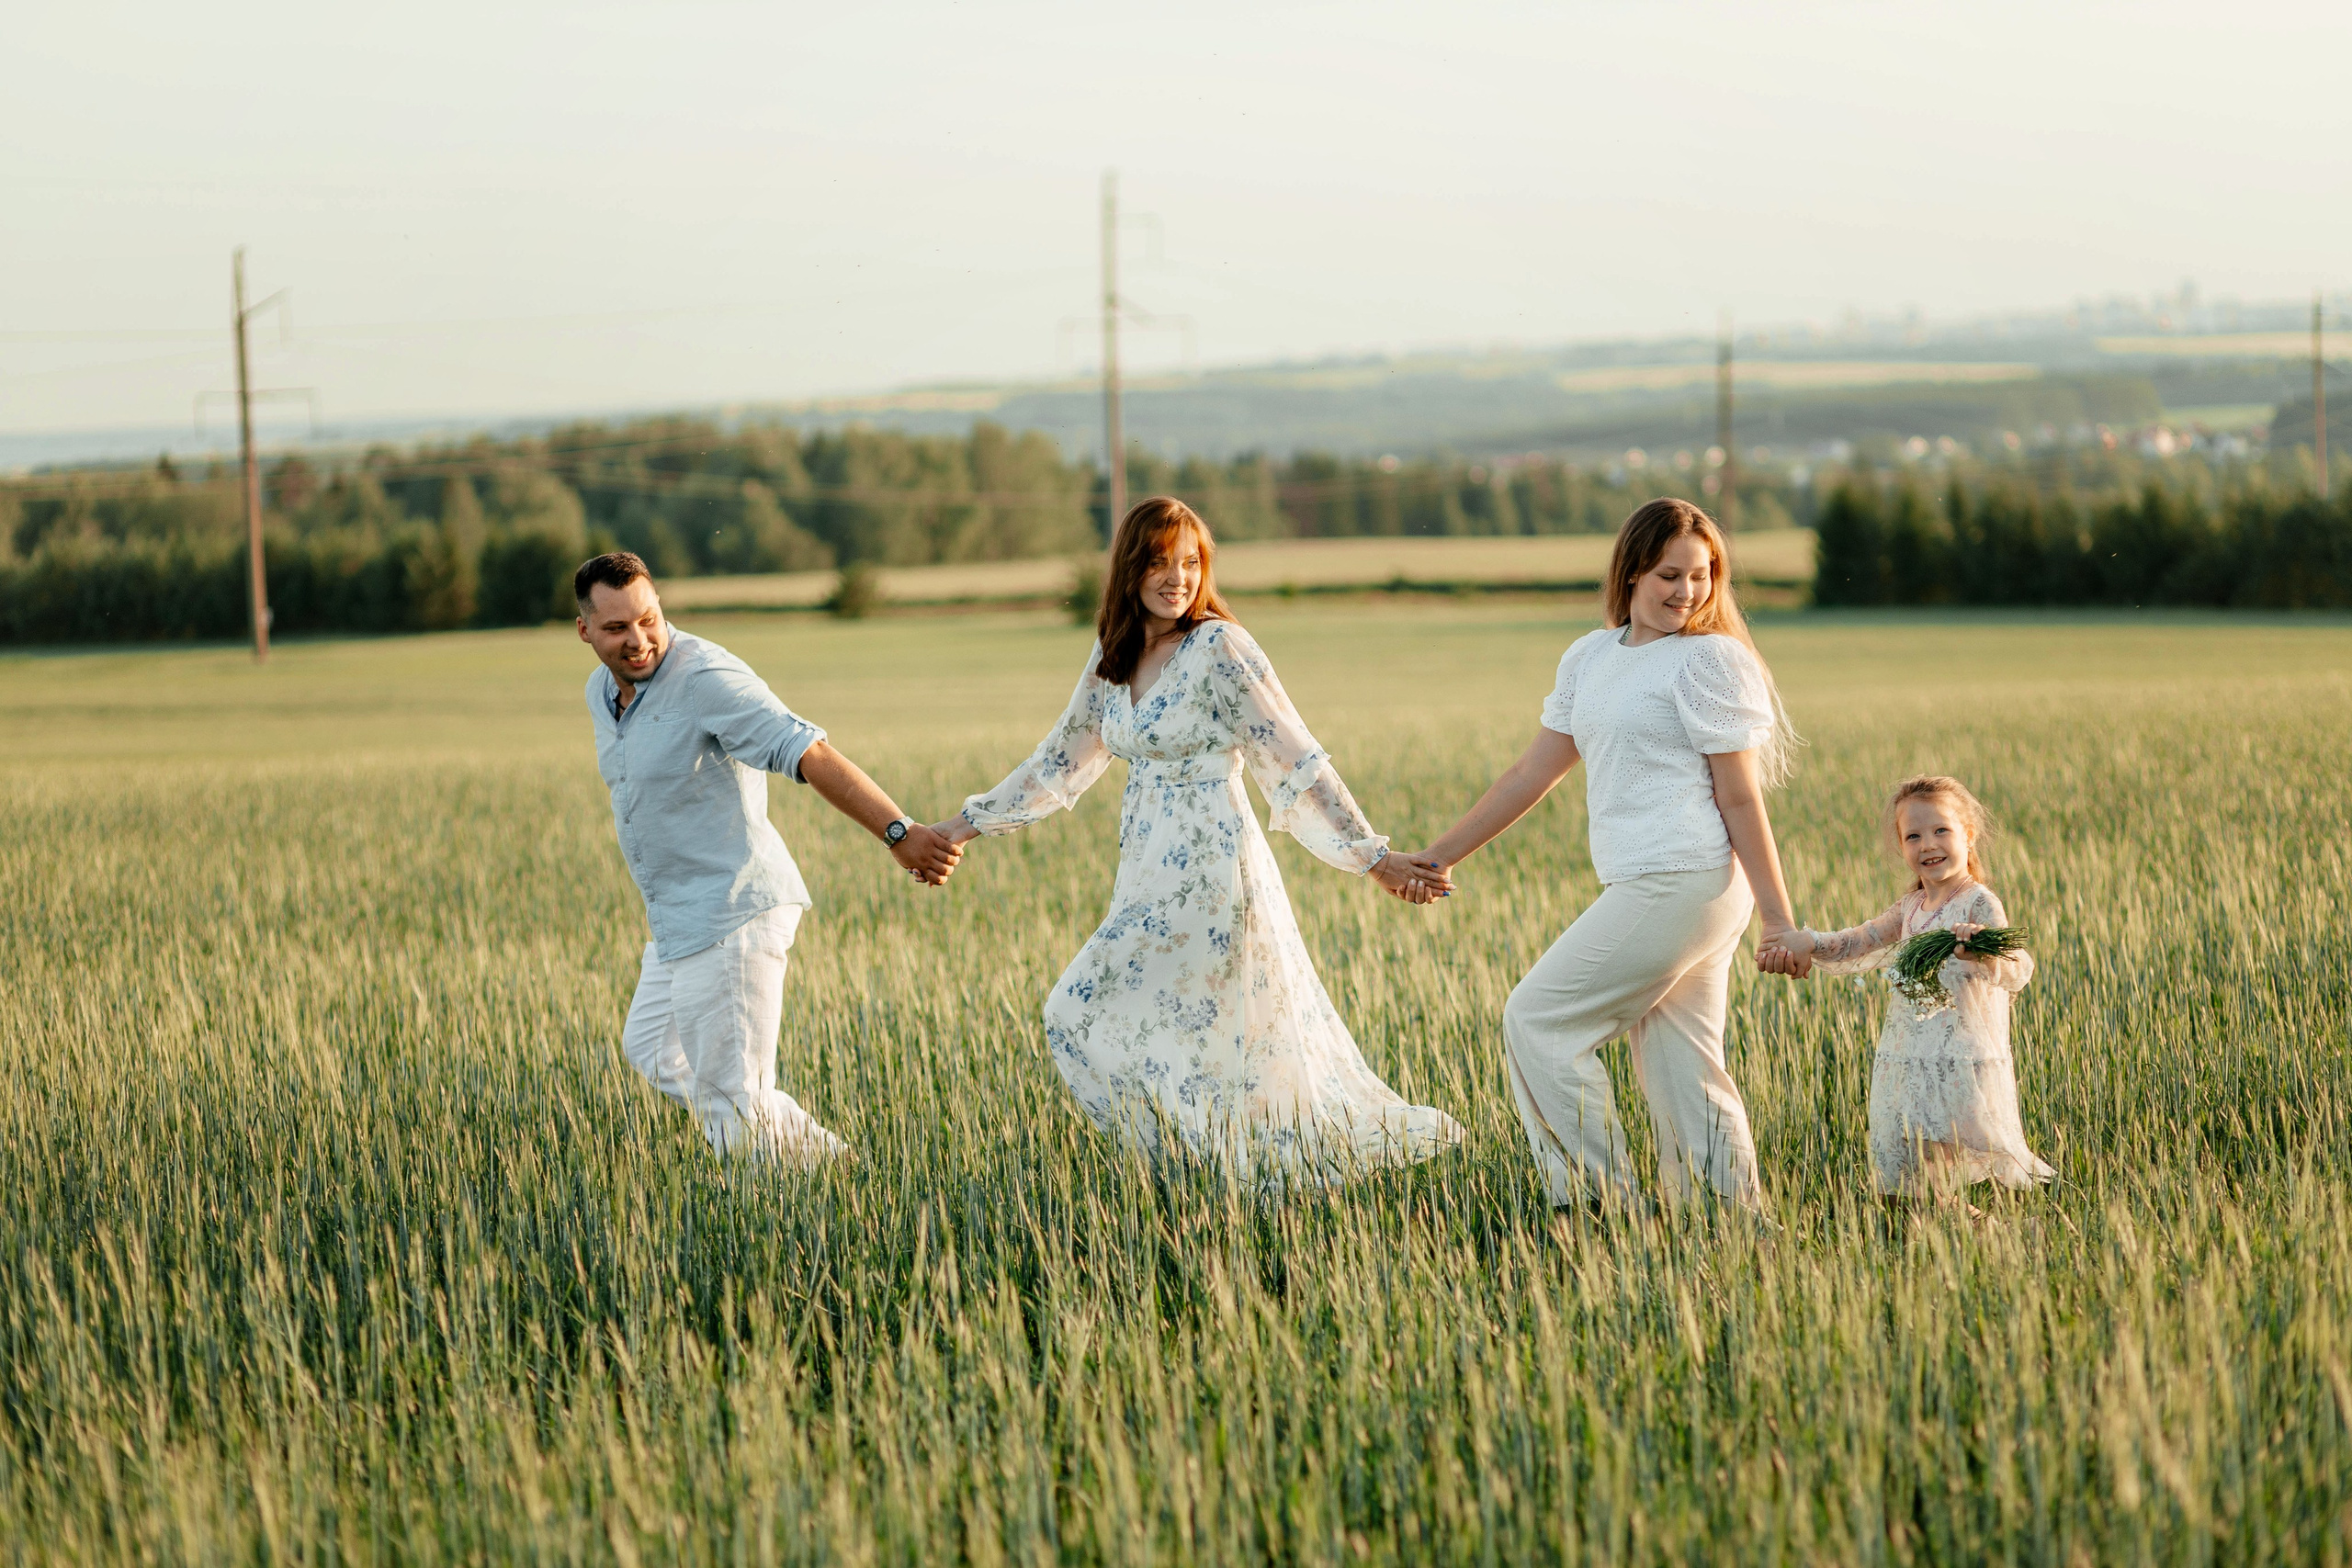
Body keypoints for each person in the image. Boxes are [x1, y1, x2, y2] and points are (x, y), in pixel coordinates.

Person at [934, 498, 1463, 1181]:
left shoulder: (1220, 647)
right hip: (1145, 874)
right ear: (1130, 568)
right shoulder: (1115, 653)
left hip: (1213, 867)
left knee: (1108, 1009)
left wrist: (1371, 856)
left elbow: (1295, 761)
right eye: (1159, 561)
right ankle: (1193, 1167)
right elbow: (1058, 762)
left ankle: (1226, 1172)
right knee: (1098, 1016)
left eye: (1190, 562)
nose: (1177, 577)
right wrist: (961, 826)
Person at [1393, 498, 1799, 1215]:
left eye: (1702, 576)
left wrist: (1780, 920)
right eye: (1671, 574)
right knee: (1684, 1068)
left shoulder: (1710, 659)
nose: (1688, 591)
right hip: (1654, 881)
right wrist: (1439, 855)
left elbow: (1740, 798)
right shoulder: (1590, 656)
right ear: (1633, 570)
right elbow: (1531, 773)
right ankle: (1733, 1227)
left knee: (1537, 1019)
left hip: (1687, 878)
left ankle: (1598, 1203)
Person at [575, 550, 961, 1164]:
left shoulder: (705, 678)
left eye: (649, 619)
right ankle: (833, 1164)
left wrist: (898, 831)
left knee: (732, 1105)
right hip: (675, 920)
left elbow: (805, 749)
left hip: (733, 912)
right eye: (618, 628)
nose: (640, 640)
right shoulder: (603, 693)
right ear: (586, 631)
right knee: (653, 1049)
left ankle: (795, 1207)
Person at [1758, 775, 2052, 1212]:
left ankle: (1991, 1236)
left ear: (1968, 834)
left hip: (1957, 1060)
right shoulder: (1911, 907)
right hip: (1910, 1056)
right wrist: (1806, 942)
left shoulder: (1979, 903)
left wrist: (1980, 949)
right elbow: (1858, 940)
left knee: (1925, 1182)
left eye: (1941, 831)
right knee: (1901, 1189)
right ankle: (1963, 1242)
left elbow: (2015, 968)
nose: (1928, 844)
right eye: (1913, 836)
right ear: (1901, 847)